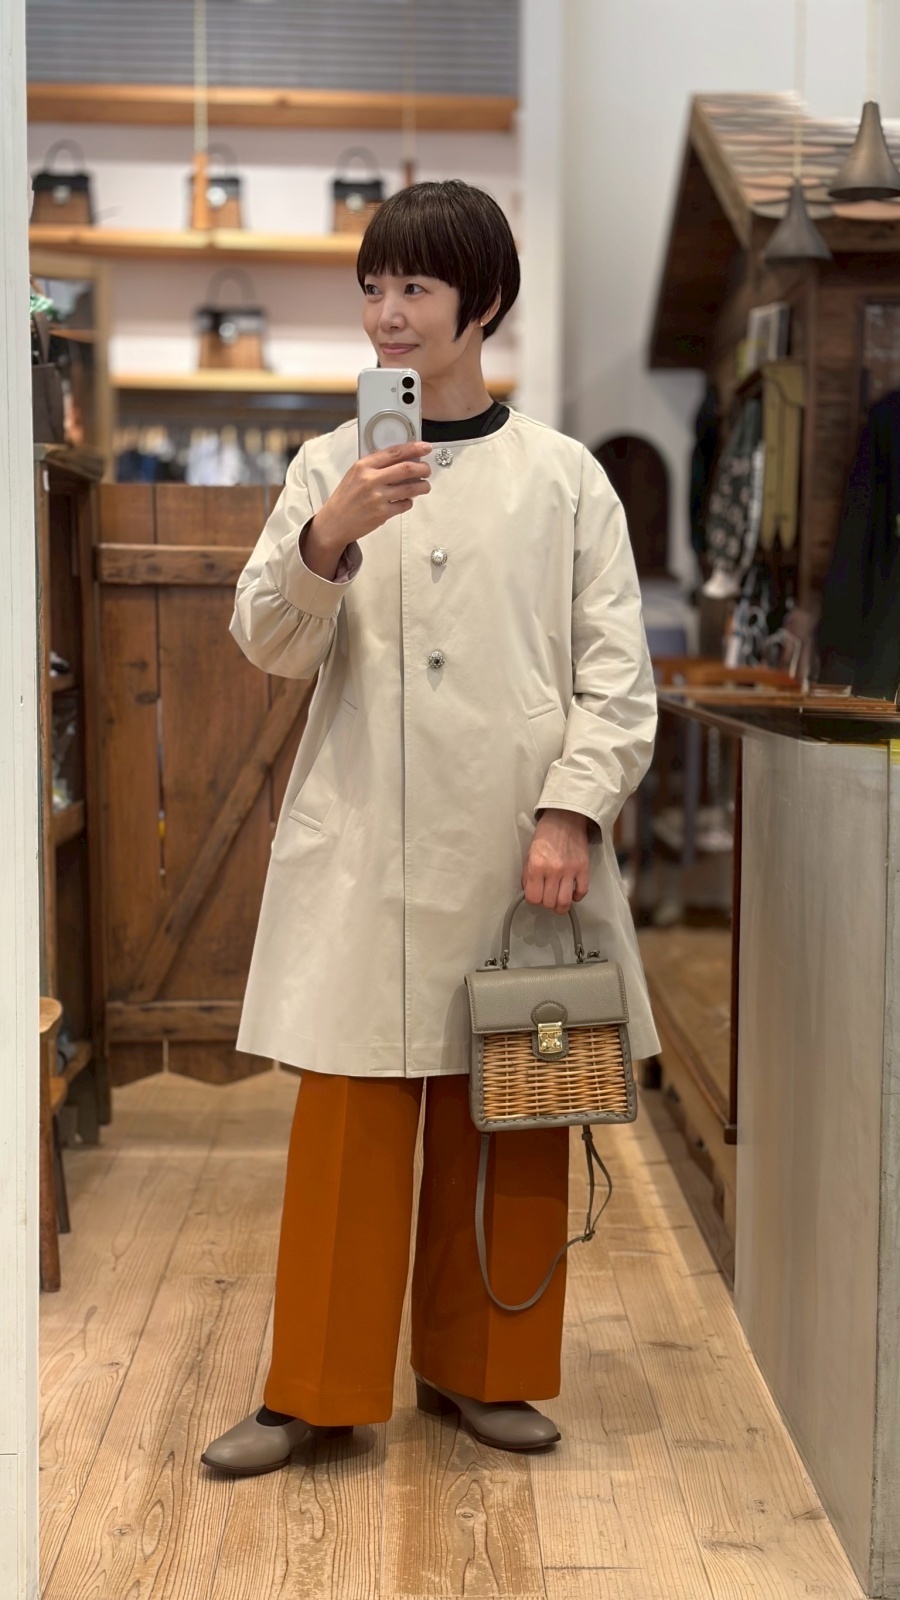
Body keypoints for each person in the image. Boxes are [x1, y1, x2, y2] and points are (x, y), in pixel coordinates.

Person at [201, 179, 659, 1475]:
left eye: (416, 288)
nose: (388, 314)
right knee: (346, 1122)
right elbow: (267, 643)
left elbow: (617, 677)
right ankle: (314, 1391)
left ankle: (486, 1371)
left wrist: (571, 810)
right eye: (374, 288)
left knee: (507, 1108)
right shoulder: (325, 468)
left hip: (521, 851)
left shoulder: (564, 479)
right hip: (364, 853)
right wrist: (329, 539)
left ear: (484, 303)